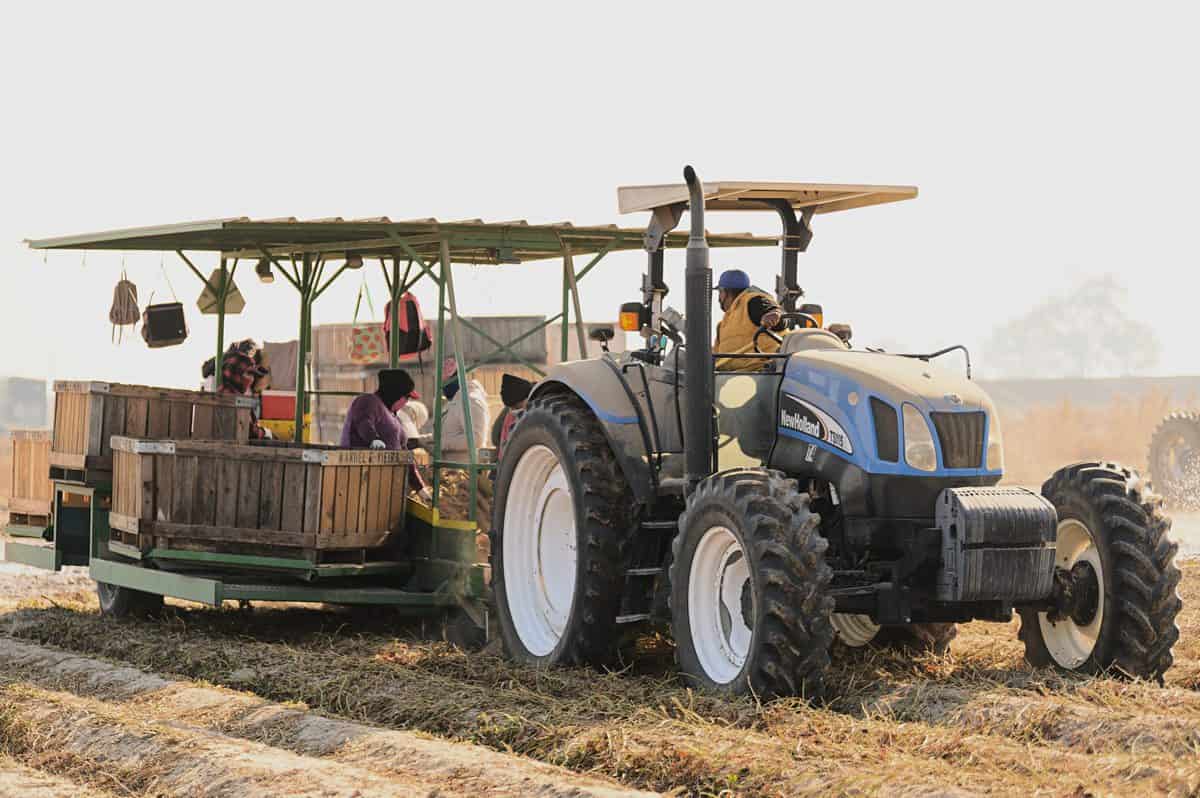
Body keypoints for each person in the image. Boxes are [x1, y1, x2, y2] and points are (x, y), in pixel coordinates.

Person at [340, 369, 427, 492]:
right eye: (406, 397)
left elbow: (404, 453)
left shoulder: (394, 418)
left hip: (386, 484)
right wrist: (373, 439)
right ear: (396, 394)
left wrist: (419, 486)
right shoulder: (368, 401)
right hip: (361, 478)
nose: (406, 402)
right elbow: (363, 421)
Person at [713, 269, 786, 371]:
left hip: (759, 373)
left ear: (725, 292)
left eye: (720, 292)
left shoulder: (751, 301)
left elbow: (779, 319)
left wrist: (774, 315)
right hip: (730, 376)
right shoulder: (723, 324)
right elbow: (716, 356)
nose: (719, 298)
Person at [437, 358, 490, 460]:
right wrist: (422, 441)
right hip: (452, 468)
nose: (442, 386)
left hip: (465, 470)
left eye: (444, 381)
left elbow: (476, 438)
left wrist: (442, 444)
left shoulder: (470, 400)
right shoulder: (455, 401)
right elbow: (449, 433)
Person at [492, 373, 533, 455]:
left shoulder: (538, 408)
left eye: (517, 406)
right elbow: (496, 437)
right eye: (511, 407)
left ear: (527, 398)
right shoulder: (509, 414)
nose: (514, 410)